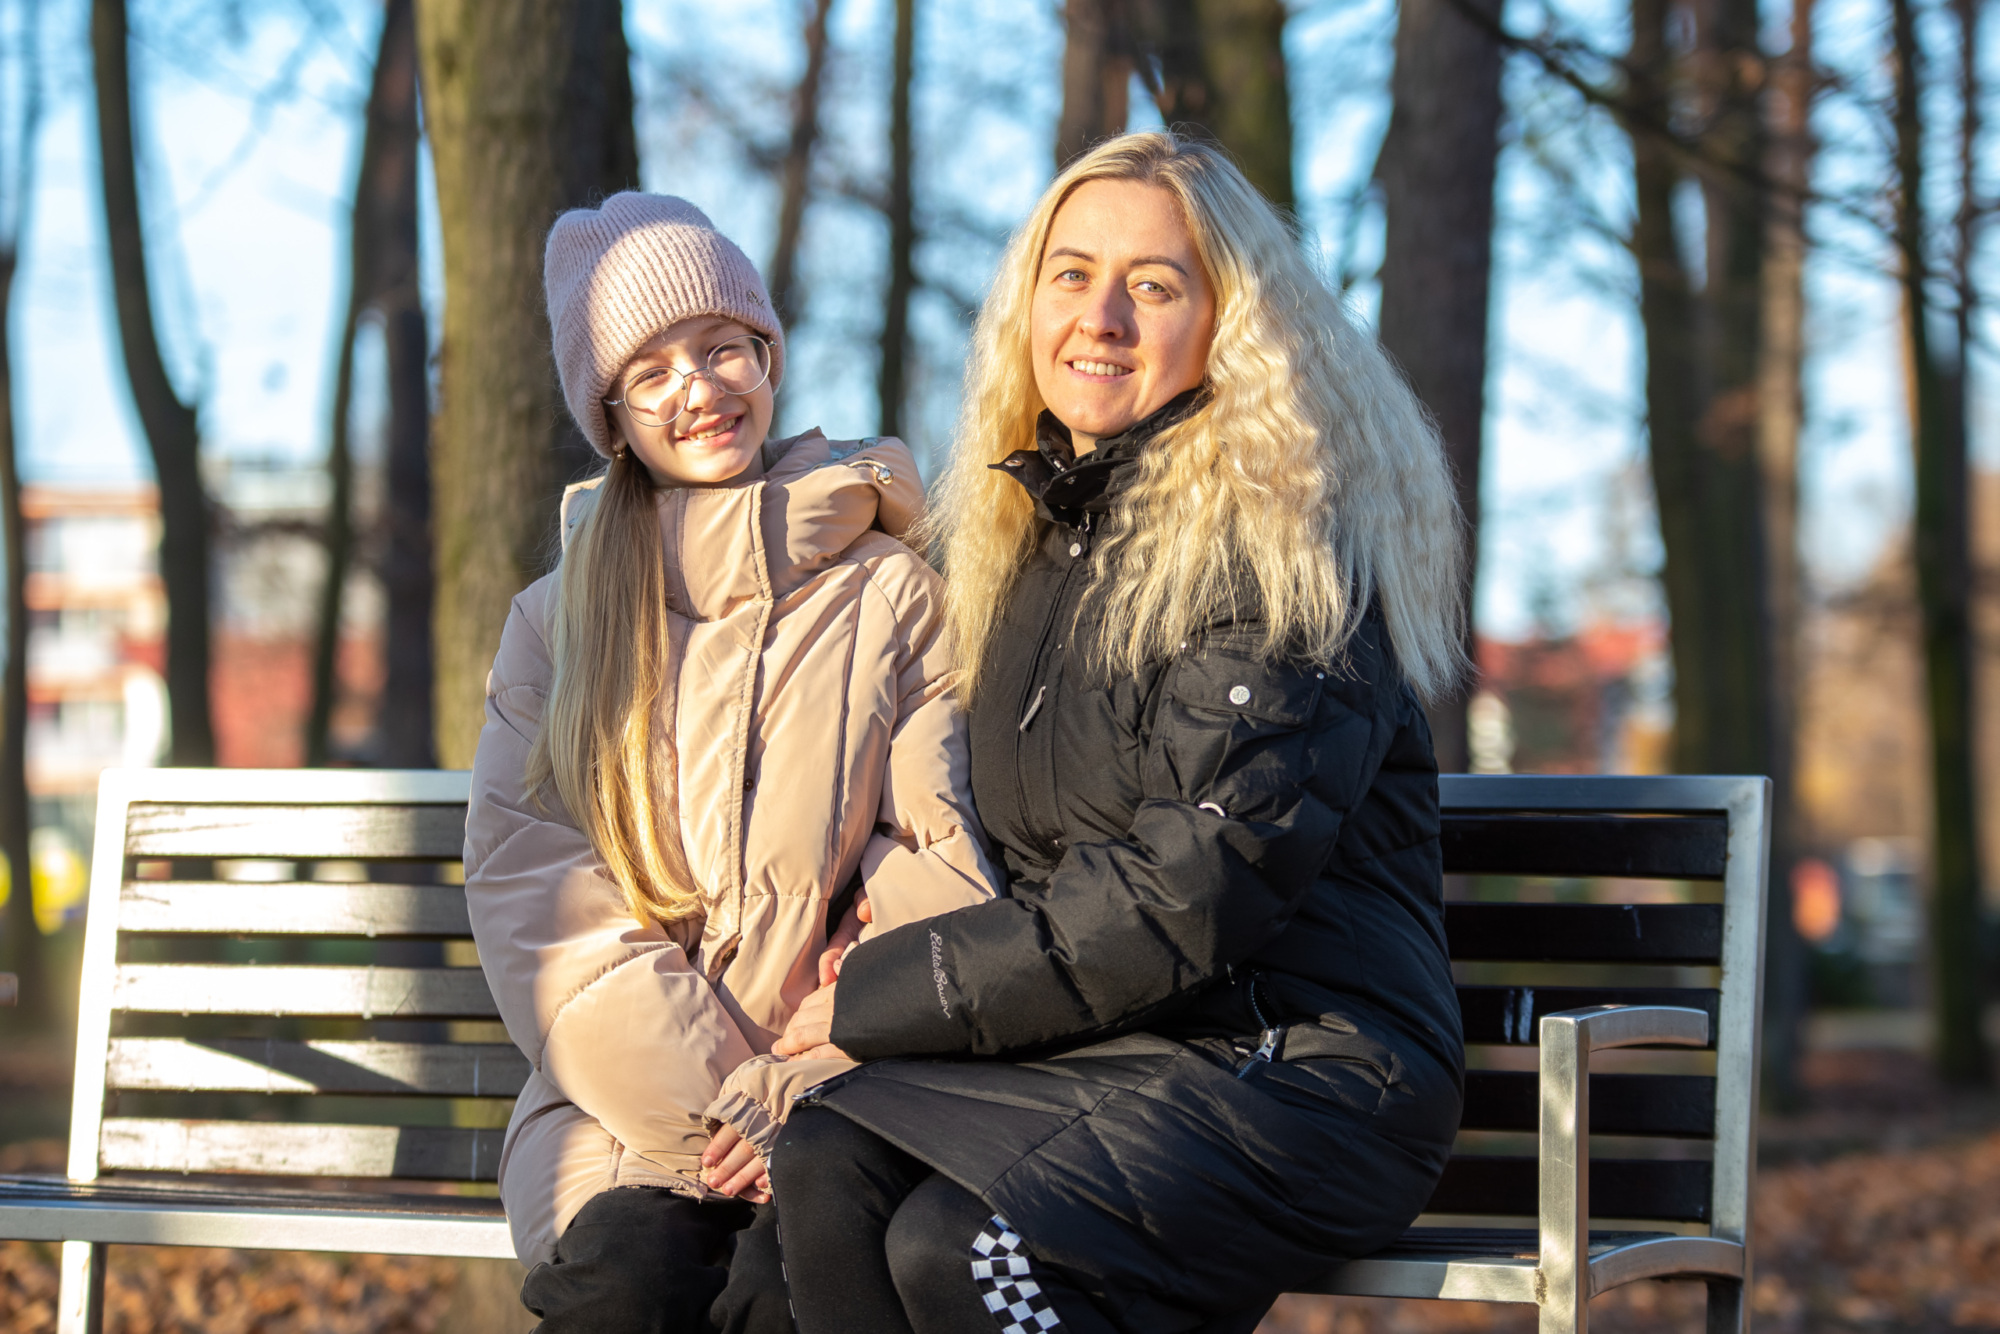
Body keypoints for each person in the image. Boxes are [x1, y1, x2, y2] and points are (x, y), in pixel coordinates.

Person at [766, 131, 1470, 1334]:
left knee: (971, 1248)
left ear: (1227, 325)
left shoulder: (1281, 554)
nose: (1100, 317)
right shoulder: (1025, 541)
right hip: (1106, 1053)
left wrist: (887, 990)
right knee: (826, 1160)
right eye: (1069, 274)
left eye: (1152, 284)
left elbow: (1185, 893)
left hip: (1301, 1067)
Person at [462, 192, 1000, 1333]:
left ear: (767, 357)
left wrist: (803, 1074)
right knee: (625, 1276)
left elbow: (939, 850)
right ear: (611, 413)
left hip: (841, 1092)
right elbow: (535, 893)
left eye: (721, 349)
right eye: (650, 371)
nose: (697, 389)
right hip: (618, 1108)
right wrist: (721, 1106)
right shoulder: (560, 624)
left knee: (792, 1284)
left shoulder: (887, 589)